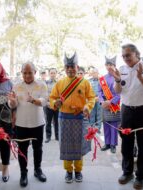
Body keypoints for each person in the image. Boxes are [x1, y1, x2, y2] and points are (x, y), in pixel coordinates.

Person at [109, 44, 143, 189]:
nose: (125, 59)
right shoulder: (122, 69)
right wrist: (117, 80)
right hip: (127, 110)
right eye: (123, 56)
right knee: (126, 143)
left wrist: (140, 77)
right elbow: (118, 91)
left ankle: (141, 176)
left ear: (137, 54)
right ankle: (127, 172)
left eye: (128, 55)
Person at [49, 52, 95, 183]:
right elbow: (52, 98)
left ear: (77, 67)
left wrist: (87, 106)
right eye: (67, 67)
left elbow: (91, 98)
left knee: (79, 145)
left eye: (72, 66)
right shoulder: (60, 83)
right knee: (67, 145)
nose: (70, 69)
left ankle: (78, 170)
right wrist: (55, 103)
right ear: (64, 68)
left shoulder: (84, 82)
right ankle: (68, 171)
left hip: (80, 118)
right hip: (64, 119)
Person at [8, 62, 48, 187]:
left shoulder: (41, 84)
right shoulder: (16, 86)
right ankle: (23, 173)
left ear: (35, 72)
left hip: (37, 122)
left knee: (38, 149)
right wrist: (12, 102)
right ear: (22, 73)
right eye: (24, 73)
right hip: (21, 123)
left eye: (30, 72)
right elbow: (13, 105)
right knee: (22, 150)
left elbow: (45, 101)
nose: (27, 75)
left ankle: (37, 170)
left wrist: (33, 100)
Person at [98, 56, 121, 153]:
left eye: (111, 64)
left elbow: (120, 93)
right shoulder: (102, 79)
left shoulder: (118, 78)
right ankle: (107, 143)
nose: (109, 66)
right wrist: (102, 101)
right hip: (104, 104)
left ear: (114, 66)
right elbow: (99, 91)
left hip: (114, 105)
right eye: (107, 65)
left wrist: (111, 102)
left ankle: (113, 145)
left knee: (114, 125)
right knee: (106, 124)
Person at [45, 68, 59, 143]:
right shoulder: (46, 83)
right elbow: (45, 94)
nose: (53, 74)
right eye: (51, 73)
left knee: (57, 122)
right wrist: (49, 104)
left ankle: (57, 136)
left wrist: (57, 104)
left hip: (57, 106)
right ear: (49, 74)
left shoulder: (59, 82)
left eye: (54, 73)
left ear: (56, 74)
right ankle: (48, 136)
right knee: (48, 122)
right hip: (48, 105)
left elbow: (60, 94)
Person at [88, 67, 102, 133]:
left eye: (95, 72)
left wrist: (99, 97)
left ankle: (98, 128)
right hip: (92, 99)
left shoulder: (102, 80)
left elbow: (104, 91)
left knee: (99, 114)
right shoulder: (89, 81)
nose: (94, 74)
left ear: (98, 73)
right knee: (92, 114)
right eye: (93, 73)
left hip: (100, 99)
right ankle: (92, 128)